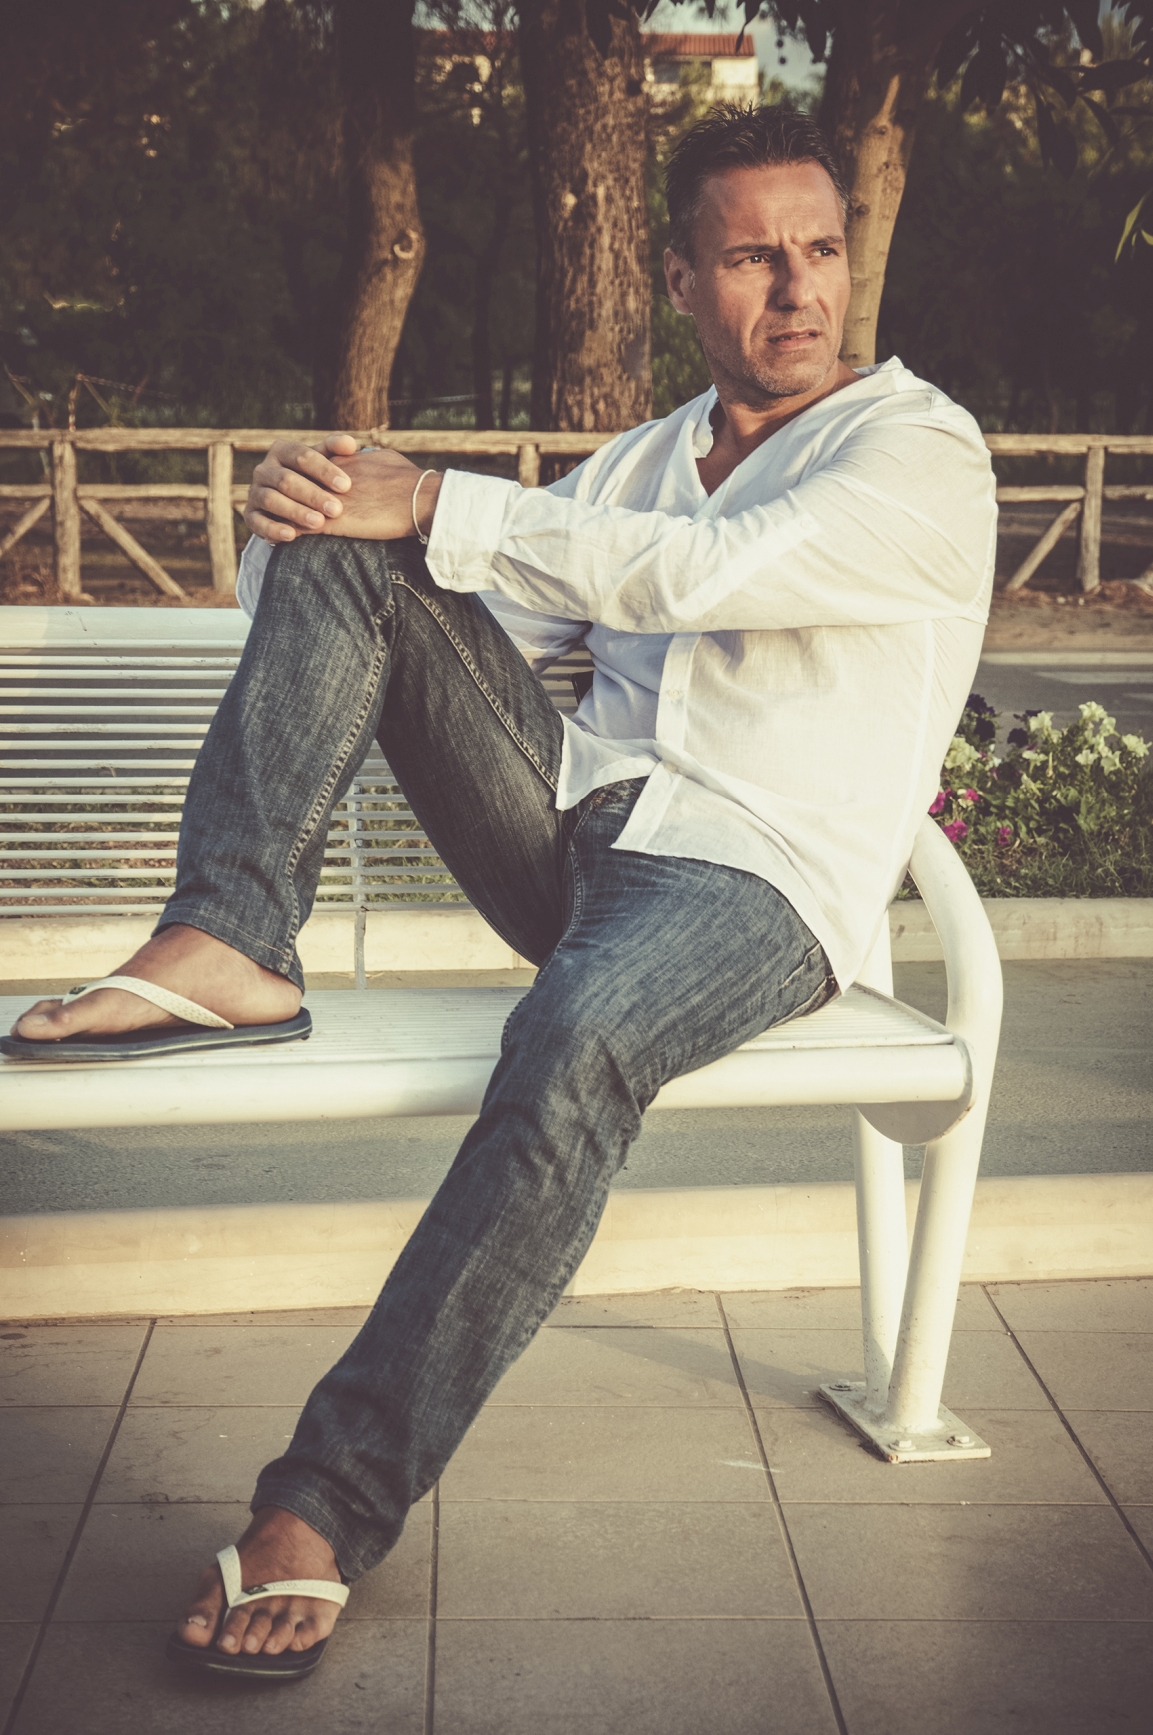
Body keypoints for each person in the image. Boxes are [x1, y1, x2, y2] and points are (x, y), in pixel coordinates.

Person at [8, 104, 996, 1678]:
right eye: (753, 257)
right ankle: (228, 938)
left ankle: (323, 1504)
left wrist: (431, 501)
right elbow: (421, 611)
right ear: (679, 278)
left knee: (571, 1039)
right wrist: (307, 517)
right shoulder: (643, 462)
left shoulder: (915, 450)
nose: (798, 288)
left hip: (752, 886)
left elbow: (697, 575)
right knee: (360, 535)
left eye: (819, 250)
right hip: (568, 832)